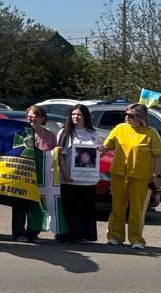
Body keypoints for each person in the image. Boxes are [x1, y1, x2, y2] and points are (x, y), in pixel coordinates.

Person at [102, 103, 161, 250]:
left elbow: (158, 156)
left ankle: (136, 239)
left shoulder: (150, 133)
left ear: (140, 117)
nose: (127, 117)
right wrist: (95, 150)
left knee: (137, 209)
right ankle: (114, 236)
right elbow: (106, 146)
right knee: (117, 207)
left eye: (131, 115)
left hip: (140, 176)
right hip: (119, 174)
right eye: (126, 114)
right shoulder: (119, 128)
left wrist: (156, 175)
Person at [10, 105, 58, 243]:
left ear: (42, 118)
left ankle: (33, 233)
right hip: (23, 175)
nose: (31, 118)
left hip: (42, 176)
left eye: (35, 115)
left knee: (38, 205)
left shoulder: (50, 136)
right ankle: (19, 234)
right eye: (29, 115)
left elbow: (54, 156)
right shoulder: (21, 133)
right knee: (20, 205)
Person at [57, 103, 100, 243]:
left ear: (85, 116)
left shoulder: (93, 134)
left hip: (88, 180)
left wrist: (102, 149)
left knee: (86, 209)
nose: (76, 117)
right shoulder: (64, 133)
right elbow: (60, 156)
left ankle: (84, 236)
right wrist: (66, 175)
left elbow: (98, 154)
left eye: (79, 114)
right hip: (69, 179)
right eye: (73, 114)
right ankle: (67, 236)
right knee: (69, 209)